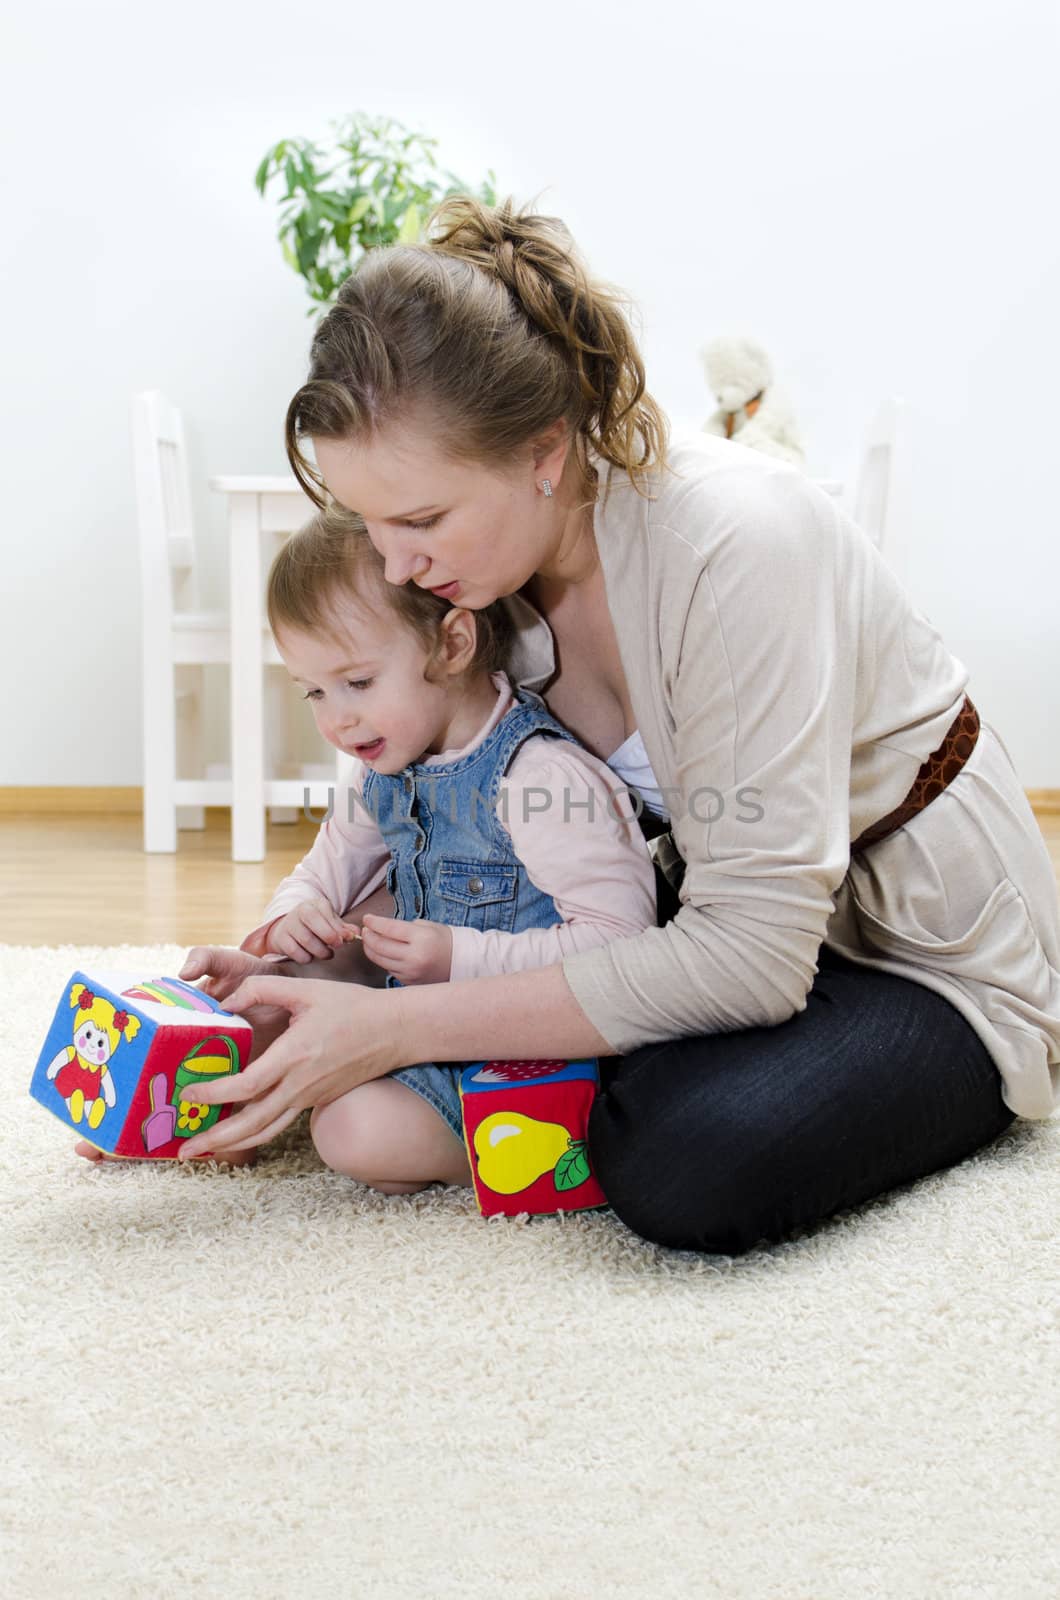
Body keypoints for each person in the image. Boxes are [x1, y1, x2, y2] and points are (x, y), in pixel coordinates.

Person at [175, 194, 1060, 1256]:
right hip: (718, 913)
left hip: (914, 948)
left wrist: (397, 1024)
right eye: (370, 522)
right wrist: (316, 967)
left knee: (688, 1163)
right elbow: (447, 813)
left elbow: (750, 958)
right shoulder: (483, 585)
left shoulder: (734, 545)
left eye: (419, 519)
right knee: (529, 1043)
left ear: (544, 451)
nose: (395, 563)